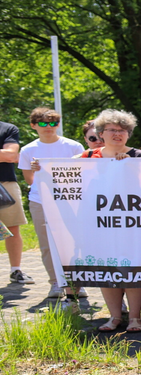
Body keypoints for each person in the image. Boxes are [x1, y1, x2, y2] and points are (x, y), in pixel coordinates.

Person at [75, 109, 141, 329]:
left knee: (133, 268)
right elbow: (58, 170)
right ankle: (115, 316)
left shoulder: (139, 156)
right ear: (101, 133)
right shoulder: (87, 157)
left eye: (123, 130)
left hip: (132, 223)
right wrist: (40, 169)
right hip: (98, 224)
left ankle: (135, 316)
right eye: (112, 130)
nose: (118, 134)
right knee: (105, 267)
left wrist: (129, 168)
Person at [18, 108, 85, 299]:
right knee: (47, 244)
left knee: (75, 242)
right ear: (33, 125)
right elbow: (30, 180)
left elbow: (84, 173)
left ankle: (77, 281)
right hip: (41, 201)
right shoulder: (28, 150)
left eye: (53, 123)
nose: (48, 127)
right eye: (43, 123)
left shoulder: (73, 146)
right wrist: (37, 171)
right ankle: (55, 282)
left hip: (72, 200)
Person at [0, 117, 29, 285]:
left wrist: (7, 155)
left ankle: (15, 270)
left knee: (12, 228)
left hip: (6, 183)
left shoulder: (8, 128)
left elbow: (11, 155)